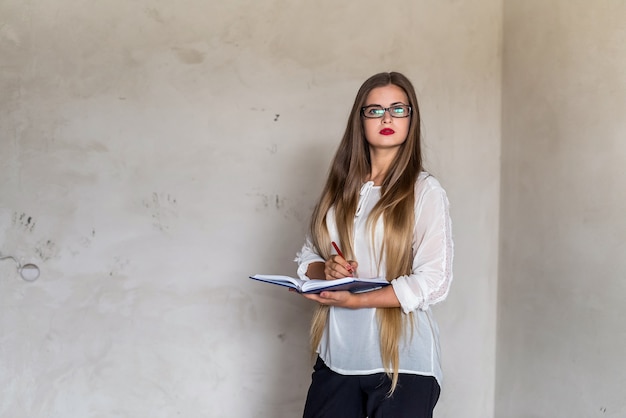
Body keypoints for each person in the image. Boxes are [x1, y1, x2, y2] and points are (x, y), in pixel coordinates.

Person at [293, 71, 454, 418]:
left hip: (404, 362)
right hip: (337, 356)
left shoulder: (425, 191)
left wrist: (357, 301)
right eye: (375, 110)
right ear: (359, 120)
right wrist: (327, 269)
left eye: (398, 109)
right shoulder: (338, 192)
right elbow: (307, 258)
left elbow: (434, 282)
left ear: (411, 119)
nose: (386, 118)